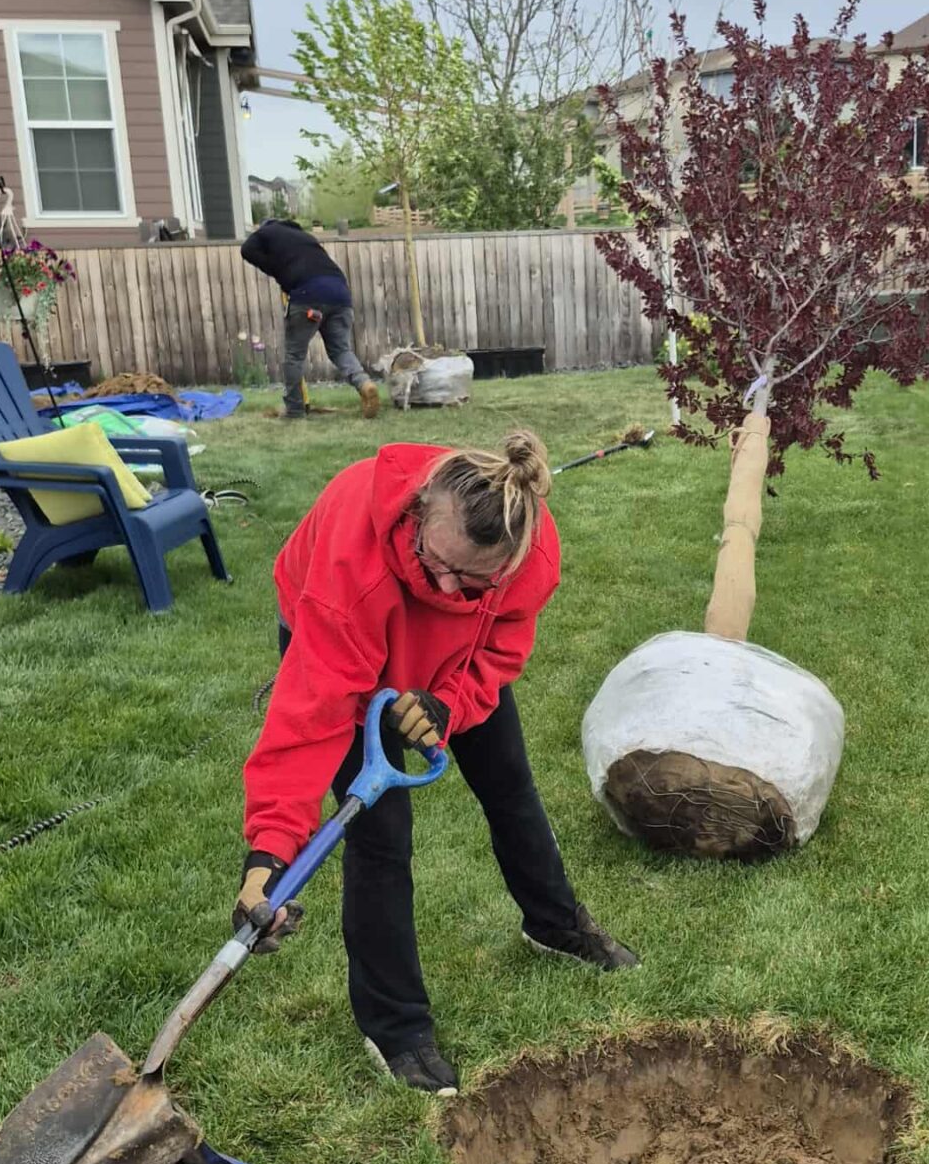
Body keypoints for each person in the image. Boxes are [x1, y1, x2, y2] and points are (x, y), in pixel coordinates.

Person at [237, 429, 637, 1092]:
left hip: (448, 664)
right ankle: (394, 1026)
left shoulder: (526, 556)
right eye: (438, 565)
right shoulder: (351, 571)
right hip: (344, 627)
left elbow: (504, 646)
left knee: (509, 784)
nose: (449, 587)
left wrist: (449, 703)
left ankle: (555, 925)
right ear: (419, 512)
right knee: (380, 833)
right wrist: (266, 860)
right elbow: (306, 727)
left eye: (471, 580)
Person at [239, 216, 380, 419]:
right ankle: (364, 383)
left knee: (294, 356)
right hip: (340, 293)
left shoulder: (267, 231)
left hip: (307, 296)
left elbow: (247, 250)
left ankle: (295, 409)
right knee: (341, 350)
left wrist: (277, 270)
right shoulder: (305, 237)